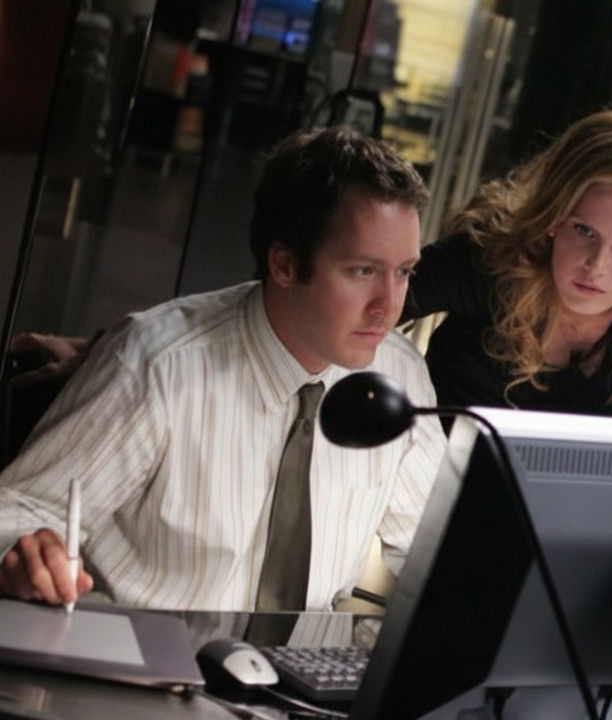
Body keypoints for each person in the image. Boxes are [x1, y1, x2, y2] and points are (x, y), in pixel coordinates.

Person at [0, 126, 446, 611]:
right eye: (363, 271)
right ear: (284, 265)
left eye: (403, 272)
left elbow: (440, 555)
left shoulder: (399, 375)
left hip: (301, 657)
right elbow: (18, 512)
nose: (388, 306)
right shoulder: (159, 364)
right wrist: (27, 553)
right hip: (145, 649)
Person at [403, 109, 612, 424]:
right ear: (553, 216)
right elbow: (376, 304)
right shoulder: (493, 257)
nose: (596, 265)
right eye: (584, 231)